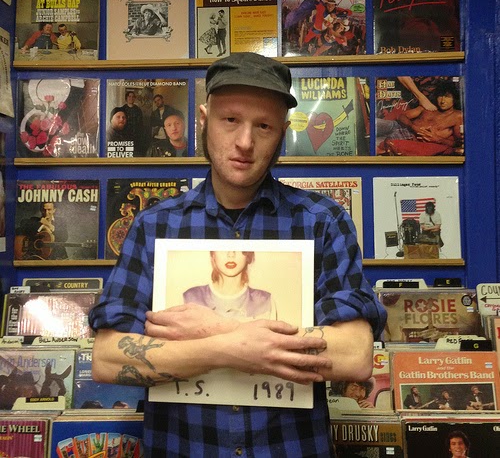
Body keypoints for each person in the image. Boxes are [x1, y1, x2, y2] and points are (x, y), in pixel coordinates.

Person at [89, 52, 386, 456]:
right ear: (204, 119)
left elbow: (355, 356)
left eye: (263, 126)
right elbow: (107, 359)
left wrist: (212, 327)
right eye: (230, 119)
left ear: (282, 133)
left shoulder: (323, 221)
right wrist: (228, 346)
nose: (245, 142)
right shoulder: (155, 226)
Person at [183, 251, 277, 320]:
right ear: (213, 254)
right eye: (223, 246)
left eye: (238, 247)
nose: (231, 254)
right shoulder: (189, 299)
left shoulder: (265, 302)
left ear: (248, 255)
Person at [377, 80, 464, 155]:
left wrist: (439, 140)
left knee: (374, 146)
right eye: (440, 96)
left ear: (454, 99)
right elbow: (401, 116)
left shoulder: (457, 116)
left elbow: (458, 143)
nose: (443, 101)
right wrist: (413, 126)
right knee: (374, 123)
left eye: (447, 97)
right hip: (397, 125)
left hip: (407, 137)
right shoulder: (429, 107)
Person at [121, 90, 146, 155]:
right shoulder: (122, 109)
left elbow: (141, 124)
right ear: (126, 98)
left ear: (134, 98)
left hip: (136, 137)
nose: (131, 98)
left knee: (135, 153)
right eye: (129, 96)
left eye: (133, 97)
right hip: (125, 136)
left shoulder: (138, 110)